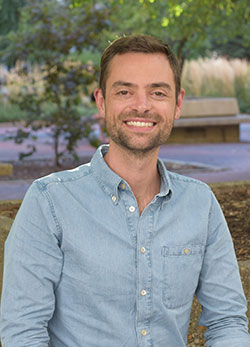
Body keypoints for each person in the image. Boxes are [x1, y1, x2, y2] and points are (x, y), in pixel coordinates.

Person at [1, 35, 250, 347]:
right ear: (102, 102)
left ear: (178, 104)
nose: (142, 106)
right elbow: (23, 333)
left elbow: (227, 322)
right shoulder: (49, 202)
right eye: (124, 91)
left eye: (158, 92)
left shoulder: (201, 204)